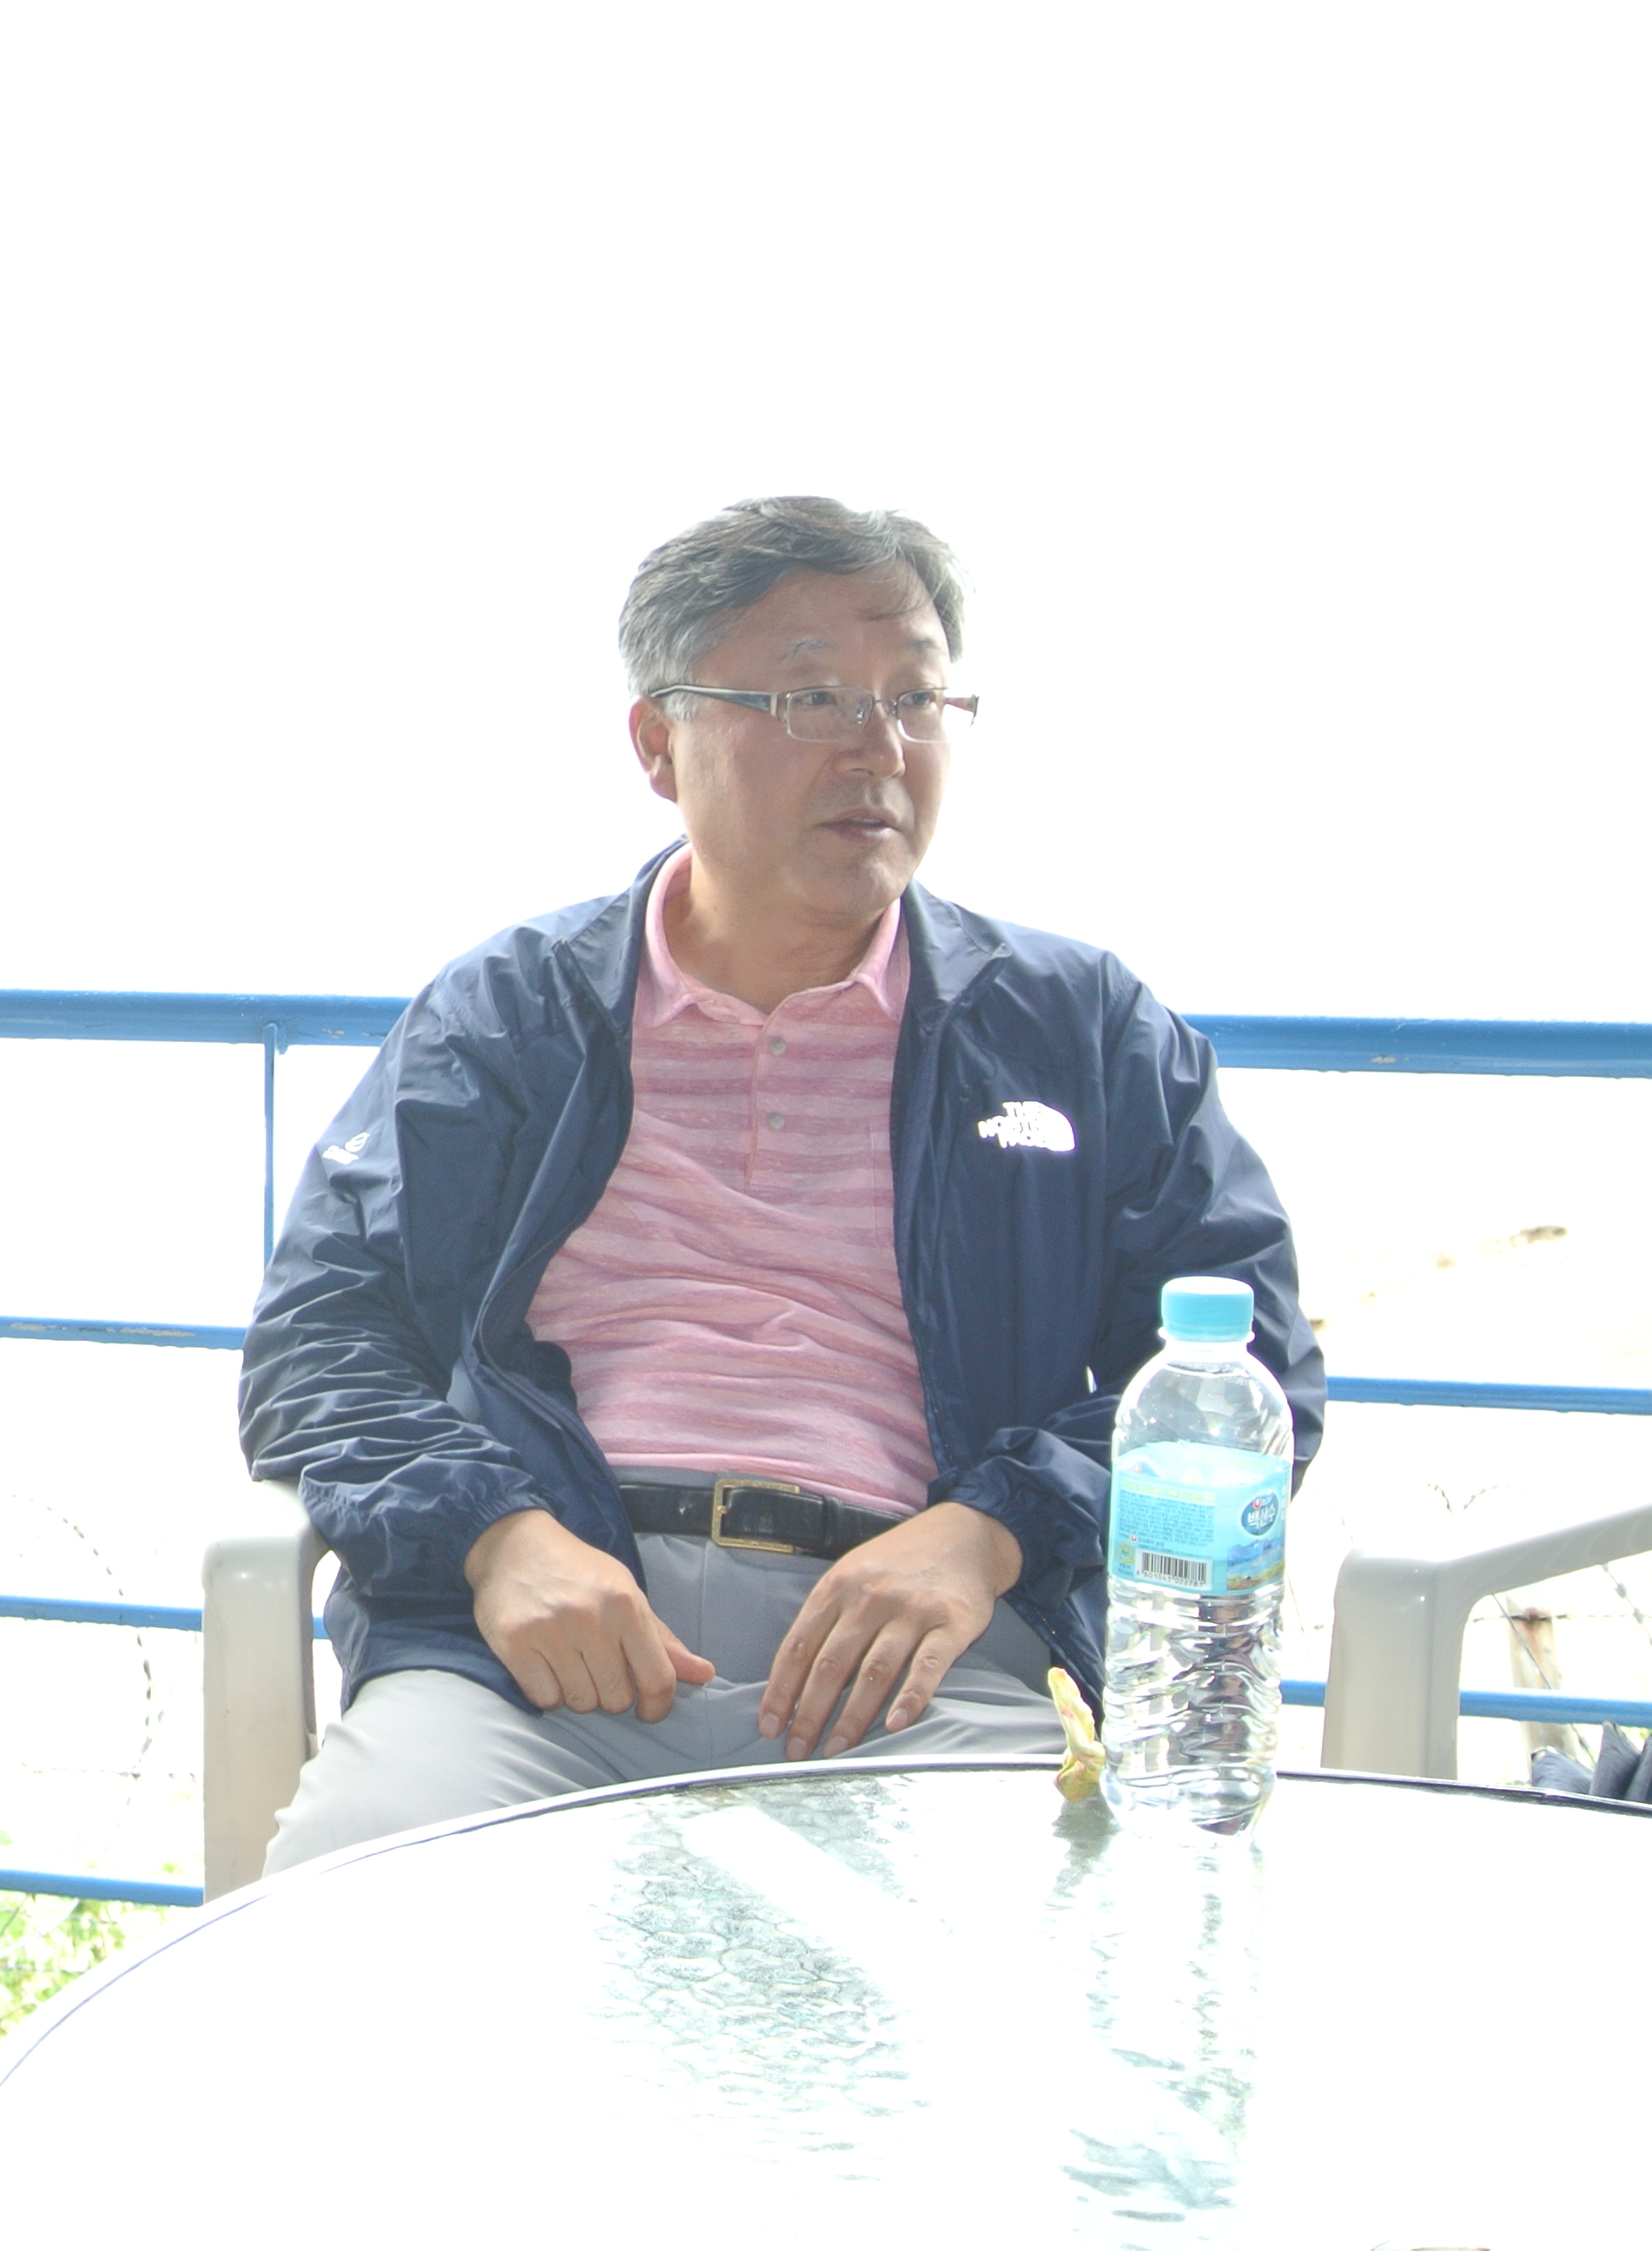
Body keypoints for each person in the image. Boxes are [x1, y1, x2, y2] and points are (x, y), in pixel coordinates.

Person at [241, 497, 1323, 1871]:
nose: (881, 750)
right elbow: (321, 1338)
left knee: (1045, 1956)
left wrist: (987, 1533)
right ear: (658, 742)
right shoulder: (512, 1018)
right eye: (812, 698)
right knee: (361, 1917)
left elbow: (1248, 1368)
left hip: (925, 1666)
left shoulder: (1073, 1030)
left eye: (917, 699)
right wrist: (494, 1537)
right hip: (547, 1655)